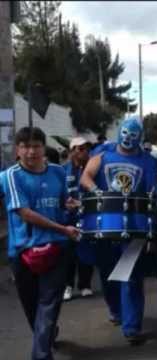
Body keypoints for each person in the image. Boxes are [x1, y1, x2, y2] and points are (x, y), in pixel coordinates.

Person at [80, 116, 157, 345]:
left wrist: (152, 230)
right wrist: (98, 191)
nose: (128, 138)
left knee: (131, 277)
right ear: (119, 132)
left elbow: (152, 195)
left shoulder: (147, 162)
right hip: (104, 224)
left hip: (135, 226)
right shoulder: (103, 154)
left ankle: (132, 327)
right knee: (107, 274)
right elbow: (86, 176)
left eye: (134, 135)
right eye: (125, 133)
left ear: (140, 137)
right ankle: (116, 311)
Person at [3, 127, 79, 360]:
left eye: (36, 146)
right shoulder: (10, 176)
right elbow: (25, 213)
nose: (30, 151)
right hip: (23, 251)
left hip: (56, 248)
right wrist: (62, 228)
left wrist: (69, 205)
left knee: (48, 304)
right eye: (25, 146)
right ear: (18, 150)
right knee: (32, 308)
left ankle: (41, 354)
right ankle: (47, 335)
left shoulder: (57, 172)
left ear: (43, 148)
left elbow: (64, 200)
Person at [63, 137, 94, 301]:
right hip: (68, 219)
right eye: (80, 149)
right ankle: (67, 286)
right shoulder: (63, 170)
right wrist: (66, 203)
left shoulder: (92, 168)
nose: (84, 152)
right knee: (68, 255)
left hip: (86, 218)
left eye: (86, 149)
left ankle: (85, 285)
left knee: (86, 253)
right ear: (72, 151)